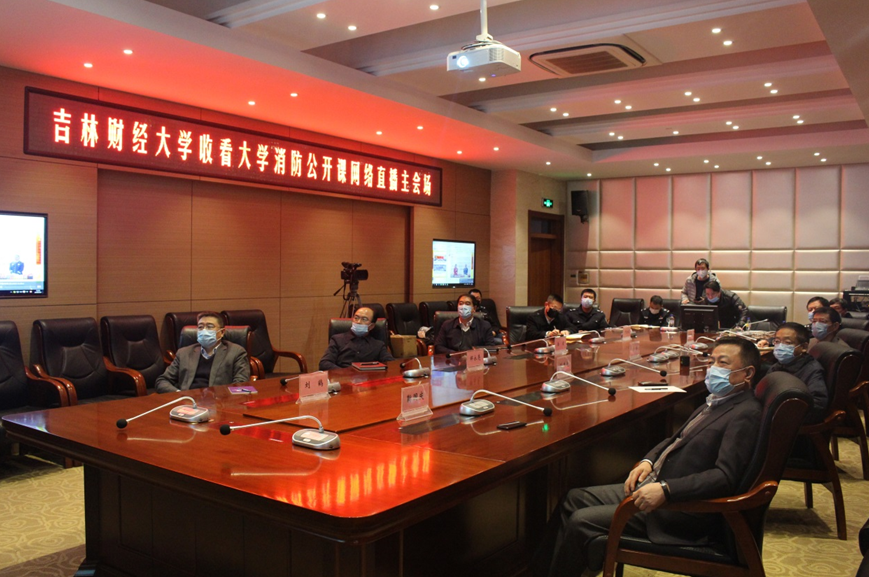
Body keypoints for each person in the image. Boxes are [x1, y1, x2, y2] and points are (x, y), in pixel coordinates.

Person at [537, 337, 762, 577]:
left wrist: (667, 490)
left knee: (581, 521)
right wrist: (649, 460)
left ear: (747, 373)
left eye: (723, 363)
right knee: (573, 499)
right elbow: (676, 439)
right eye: (712, 361)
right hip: (655, 482)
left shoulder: (745, 413)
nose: (713, 368)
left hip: (677, 510)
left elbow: (725, 477)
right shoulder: (718, 401)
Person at [155, 311, 250, 393]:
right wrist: (179, 394)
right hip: (187, 401)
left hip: (219, 402)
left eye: (210, 327)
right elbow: (162, 381)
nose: (204, 331)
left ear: (222, 332)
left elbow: (241, 385)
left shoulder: (236, 352)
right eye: (200, 327)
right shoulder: (183, 353)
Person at [766, 322, 827, 423]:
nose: (780, 346)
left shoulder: (812, 370)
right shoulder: (778, 366)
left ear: (803, 347)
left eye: (787, 343)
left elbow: (818, 405)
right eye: (777, 341)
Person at [319, 307, 395, 370]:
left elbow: (391, 364)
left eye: (364, 319)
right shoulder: (337, 340)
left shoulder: (378, 345)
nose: (358, 322)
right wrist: (345, 374)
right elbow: (324, 363)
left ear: (371, 326)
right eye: (356, 318)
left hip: (368, 380)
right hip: (343, 379)